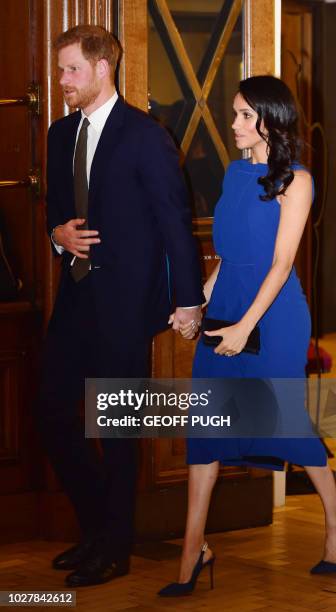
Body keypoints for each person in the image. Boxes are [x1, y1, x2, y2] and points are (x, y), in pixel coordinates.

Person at [36, 24, 204, 588]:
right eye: (61, 70)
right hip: (76, 300)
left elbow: (174, 225)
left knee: (119, 427)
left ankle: (117, 547)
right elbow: (55, 213)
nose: (62, 80)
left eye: (71, 70)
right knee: (54, 416)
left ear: (103, 67)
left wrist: (187, 301)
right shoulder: (61, 135)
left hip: (128, 307)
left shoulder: (145, 136)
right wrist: (59, 235)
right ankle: (96, 531)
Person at [159, 75, 336, 597]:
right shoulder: (235, 175)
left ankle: (334, 533)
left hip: (274, 319)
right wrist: (199, 307)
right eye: (232, 113)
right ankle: (192, 555)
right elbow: (229, 259)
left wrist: (245, 325)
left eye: (243, 115)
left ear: (270, 119)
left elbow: (281, 265)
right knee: (206, 428)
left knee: (288, 427)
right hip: (230, 310)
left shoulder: (297, 180)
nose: (233, 124)